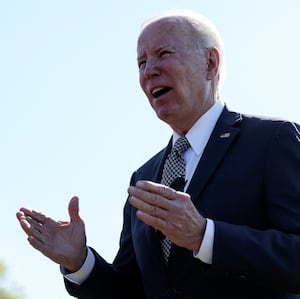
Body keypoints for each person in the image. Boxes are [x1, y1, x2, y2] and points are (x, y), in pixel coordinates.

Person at [16, 9, 300, 299]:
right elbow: (133, 290)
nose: (149, 70)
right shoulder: (144, 177)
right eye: (141, 62)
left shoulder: (273, 141)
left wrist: (205, 236)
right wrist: (80, 262)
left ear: (210, 63)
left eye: (163, 53)